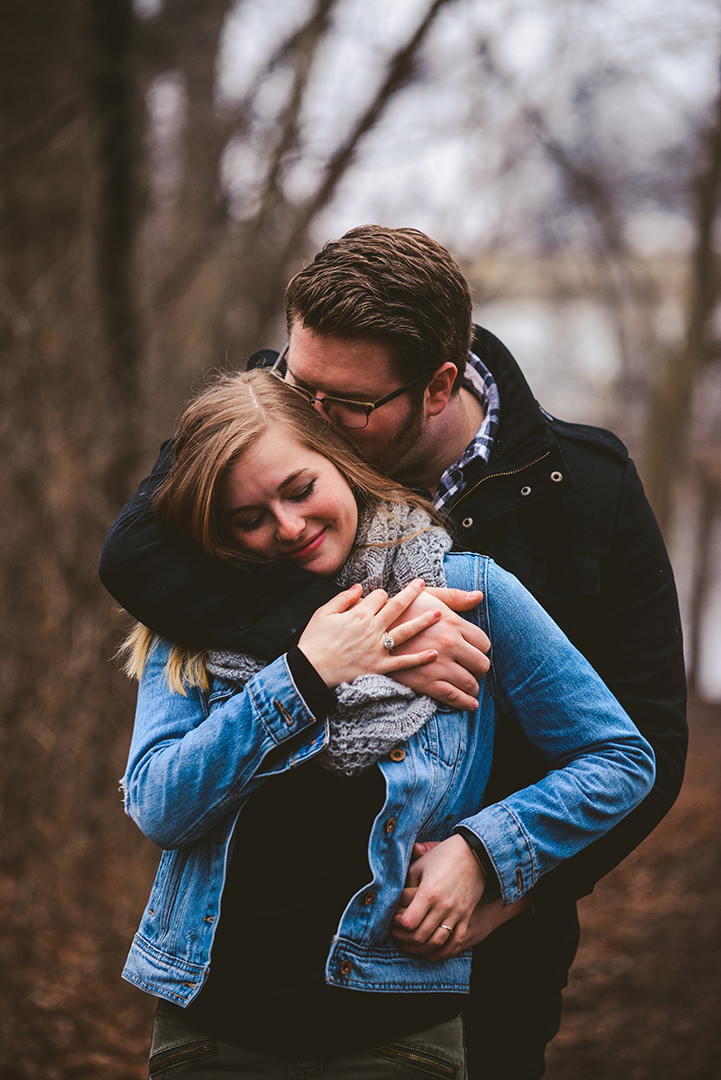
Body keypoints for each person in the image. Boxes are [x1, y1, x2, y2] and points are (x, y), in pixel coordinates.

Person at [100, 226, 687, 1079]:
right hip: (224, 997)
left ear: (437, 386)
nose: (306, 411)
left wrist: (499, 872)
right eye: (297, 384)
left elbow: (641, 748)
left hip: (454, 967)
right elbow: (133, 556)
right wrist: (353, 646)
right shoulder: (264, 435)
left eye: (343, 404)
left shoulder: (579, 492)